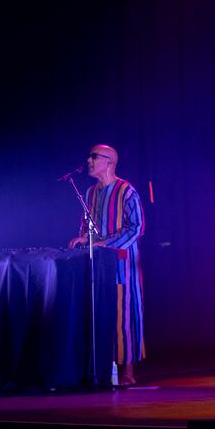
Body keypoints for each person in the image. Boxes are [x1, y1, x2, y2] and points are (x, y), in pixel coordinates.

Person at [69, 144, 145, 387]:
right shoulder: (91, 193)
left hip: (122, 265)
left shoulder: (126, 190)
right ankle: (100, 369)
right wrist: (83, 238)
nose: (89, 161)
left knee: (124, 314)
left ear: (109, 161)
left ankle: (128, 371)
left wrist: (104, 243)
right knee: (98, 314)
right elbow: (86, 224)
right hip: (98, 266)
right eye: (89, 155)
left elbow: (137, 227)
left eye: (94, 156)